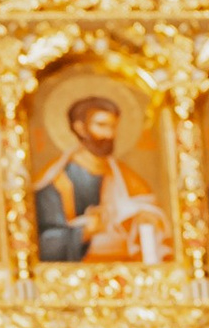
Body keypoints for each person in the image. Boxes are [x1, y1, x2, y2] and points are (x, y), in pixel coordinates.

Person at [33, 93, 166, 263]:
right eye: (101, 125)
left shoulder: (125, 176)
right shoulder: (56, 181)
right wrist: (85, 231)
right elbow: (44, 243)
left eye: (113, 126)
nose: (109, 134)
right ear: (80, 127)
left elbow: (149, 210)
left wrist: (145, 219)